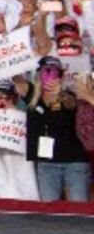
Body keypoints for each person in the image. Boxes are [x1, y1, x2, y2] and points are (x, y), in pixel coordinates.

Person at [25, 57, 93, 202]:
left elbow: (72, 104)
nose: (51, 75)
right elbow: (17, 81)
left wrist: (59, 94)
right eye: (47, 71)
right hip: (47, 163)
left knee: (79, 209)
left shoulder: (68, 96)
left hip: (74, 161)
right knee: (50, 212)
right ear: (39, 74)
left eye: (56, 72)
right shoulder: (33, 97)